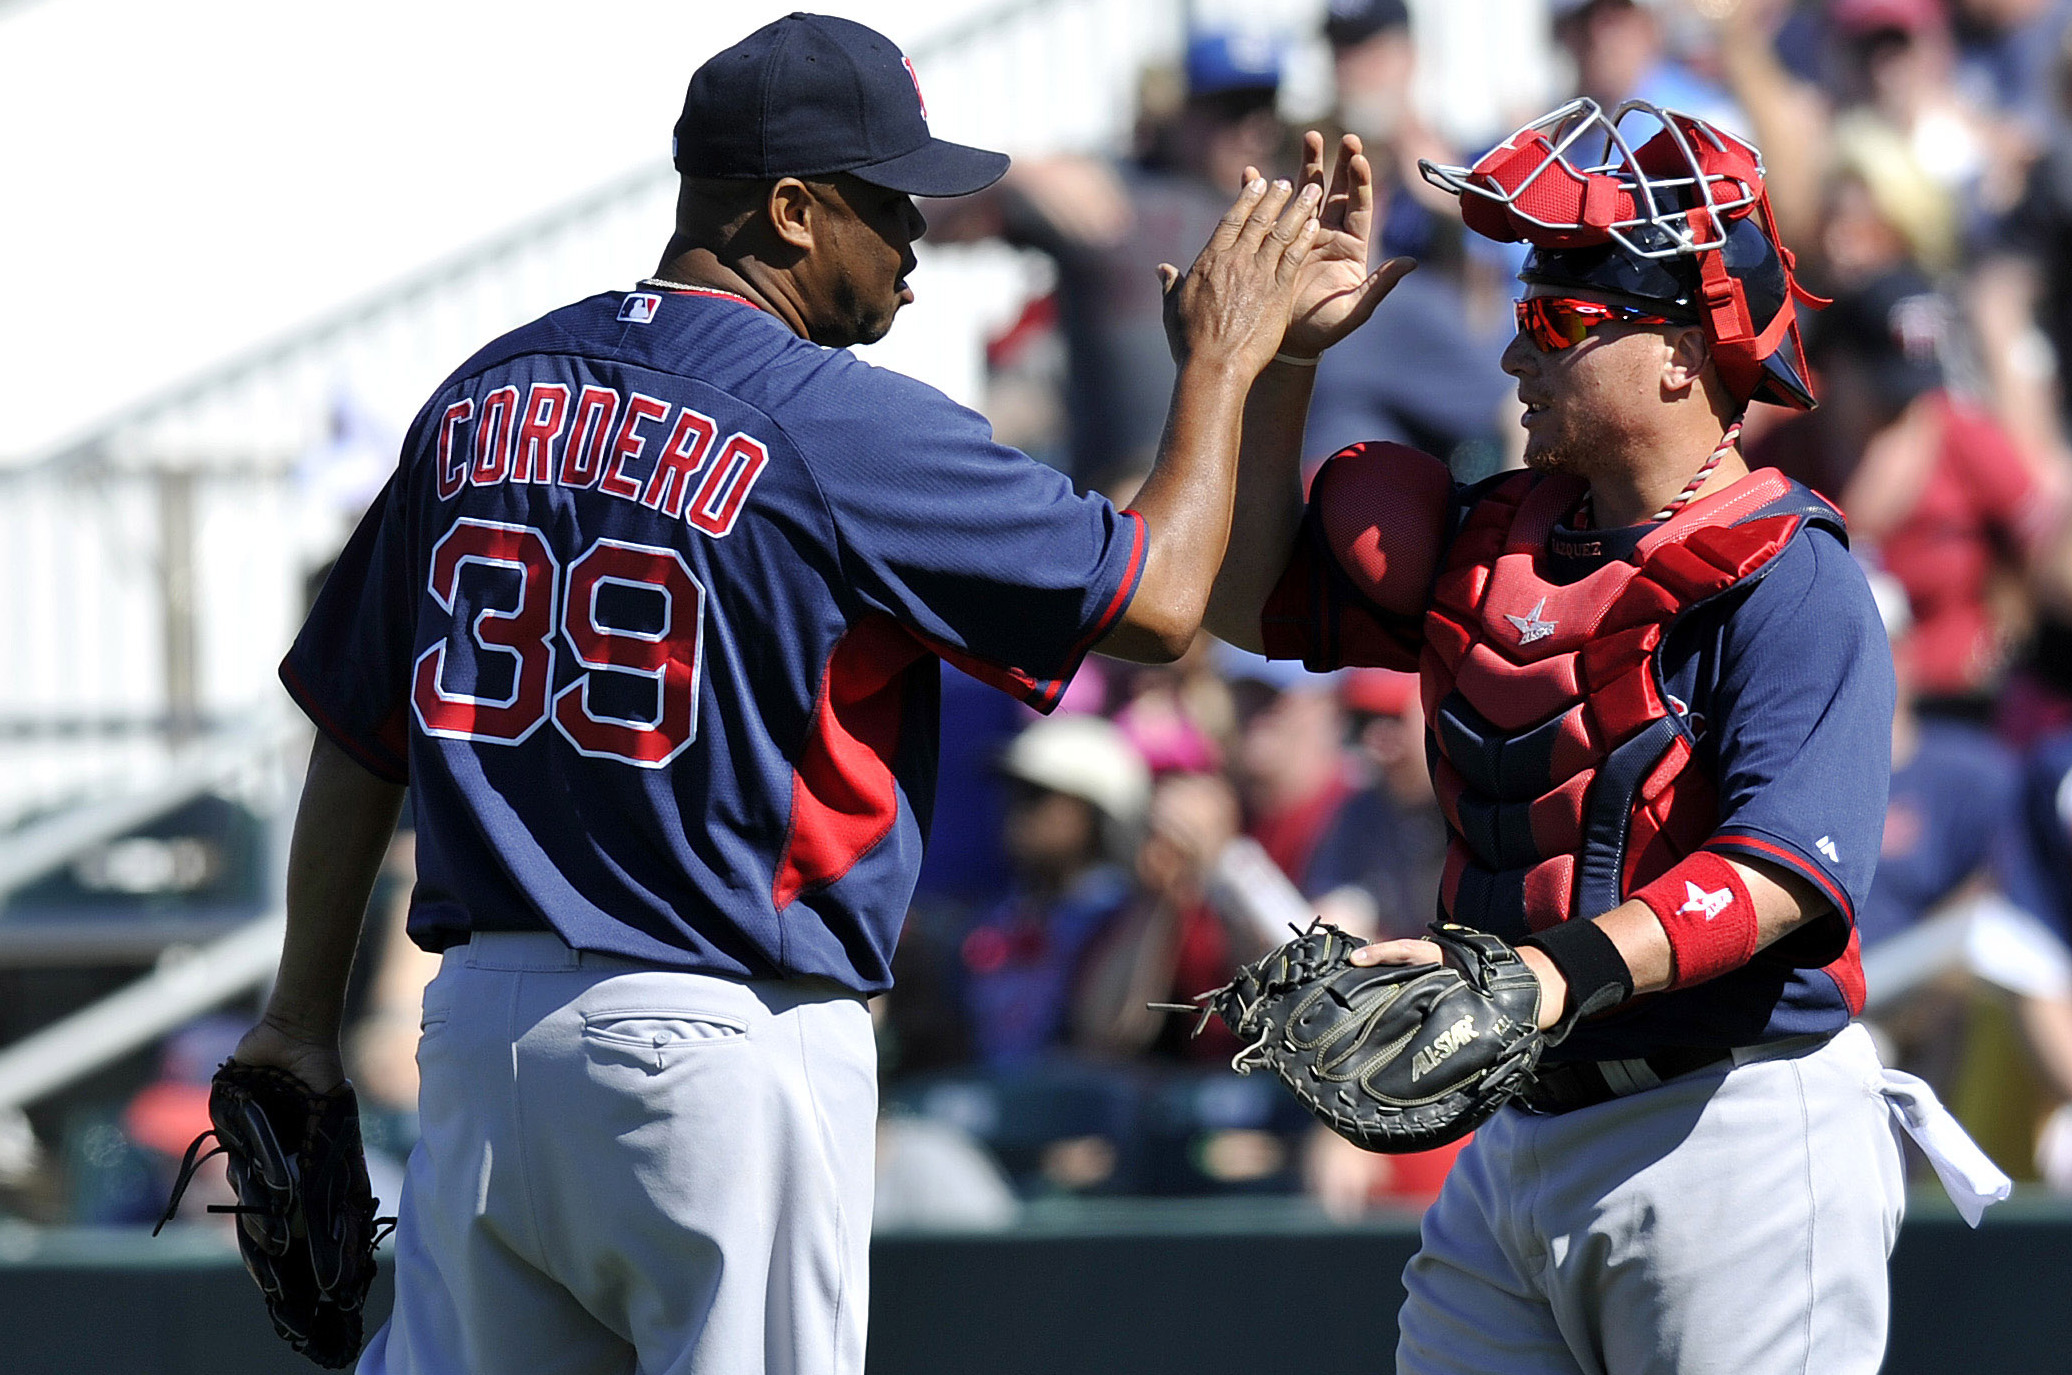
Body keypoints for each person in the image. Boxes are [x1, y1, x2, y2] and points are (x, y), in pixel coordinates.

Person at [224, 14, 1369, 1375]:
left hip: (480, 1038)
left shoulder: (484, 394)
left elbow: (359, 734)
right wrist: (1231, 358)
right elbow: (1163, 600)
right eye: (888, 202)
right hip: (716, 1040)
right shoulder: (836, 421)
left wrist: (299, 1017)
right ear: (788, 209)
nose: (917, 234)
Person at [1206, 100, 1937, 1371]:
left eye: (1553, 324)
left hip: (1731, 1122)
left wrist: (1539, 979)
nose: (1512, 359)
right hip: (1519, 1133)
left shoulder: (1789, 571)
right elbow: (1239, 601)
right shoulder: (1494, 533)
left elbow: (1782, 874)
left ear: (1676, 352)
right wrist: (1282, 365)